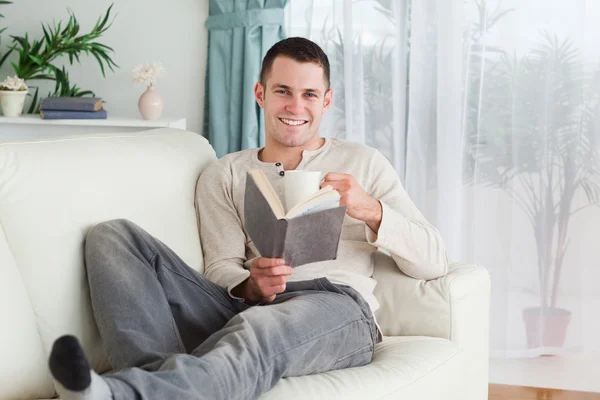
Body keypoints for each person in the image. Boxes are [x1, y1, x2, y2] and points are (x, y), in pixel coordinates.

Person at [48, 37, 449, 400]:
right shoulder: (225, 173)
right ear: (261, 94)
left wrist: (370, 209)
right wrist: (250, 284)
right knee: (112, 237)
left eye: (309, 94)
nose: (295, 106)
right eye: (283, 91)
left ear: (326, 101)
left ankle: (121, 394)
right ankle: (152, 383)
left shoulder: (364, 163)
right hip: (245, 306)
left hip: (335, 307)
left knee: (261, 329)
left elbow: (433, 260)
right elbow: (220, 266)